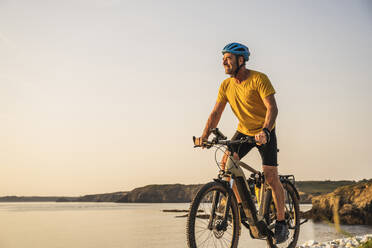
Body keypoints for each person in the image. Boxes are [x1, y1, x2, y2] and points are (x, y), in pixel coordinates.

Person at [194, 42, 289, 244]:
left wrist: (265, 131)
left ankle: (281, 222)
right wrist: (204, 135)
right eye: (223, 59)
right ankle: (241, 208)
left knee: (271, 177)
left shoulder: (259, 79)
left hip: (264, 132)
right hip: (244, 131)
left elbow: (272, 108)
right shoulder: (226, 85)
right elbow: (216, 113)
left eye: (228, 58)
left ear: (241, 60)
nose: (224, 62)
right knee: (226, 165)